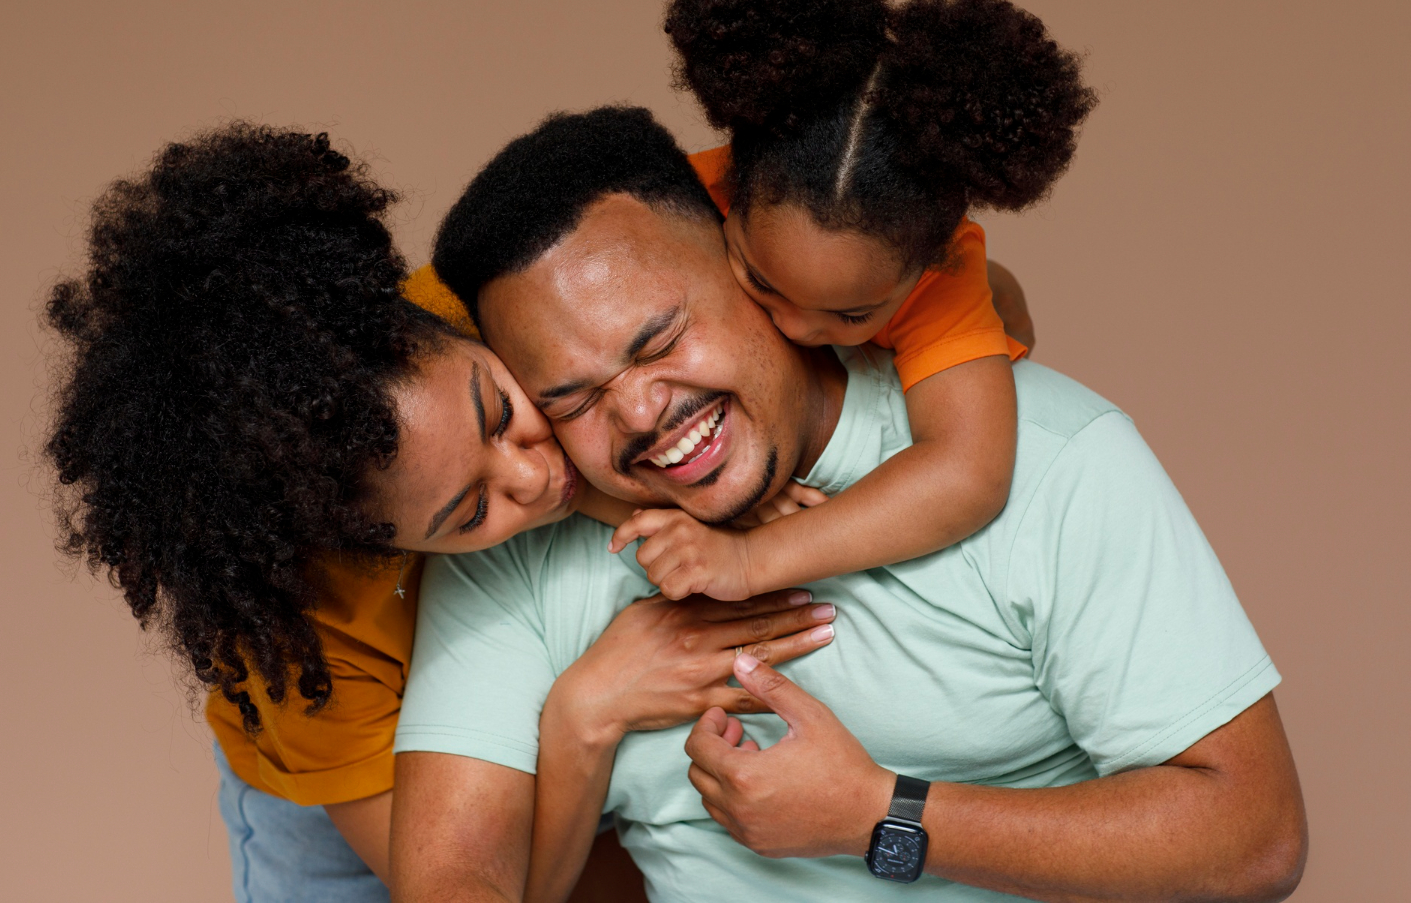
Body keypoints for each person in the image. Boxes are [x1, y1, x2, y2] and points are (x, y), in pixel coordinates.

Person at [394, 105, 1306, 902]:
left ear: (753, 269)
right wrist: (584, 710)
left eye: (662, 339)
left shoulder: (1051, 459)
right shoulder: (514, 538)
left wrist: (881, 814)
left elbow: (1255, 836)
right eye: (573, 399)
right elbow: (453, 877)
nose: (639, 413)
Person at [43, 123, 838, 902]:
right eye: (471, 511)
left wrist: (695, 489)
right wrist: (581, 717)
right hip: (347, 824)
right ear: (378, 544)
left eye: (499, 411)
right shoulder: (309, 645)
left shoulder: (452, 308)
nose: (536, 474)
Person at [608, 0, 1098, 608]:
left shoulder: (944, 279)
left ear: (927, 266)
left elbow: (967, 474)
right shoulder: (677, 203)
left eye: (852, 314)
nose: (801, 330)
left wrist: (752, 557)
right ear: (730, 195)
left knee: (1000, 305)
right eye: (761, 283)